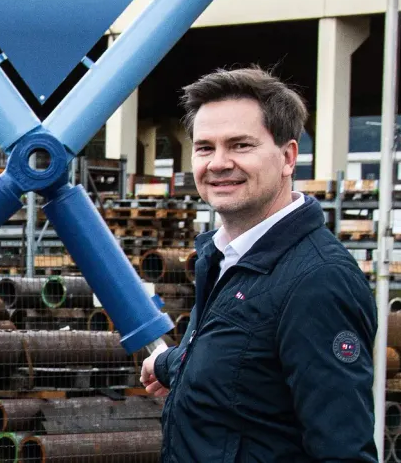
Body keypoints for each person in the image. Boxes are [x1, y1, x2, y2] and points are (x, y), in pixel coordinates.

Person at [139, 66, 377, 462]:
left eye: (240, 145)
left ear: (287, 157)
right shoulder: (225, 257)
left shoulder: (318, 280)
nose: (218, 163)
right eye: (204, 147)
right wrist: (169, 364)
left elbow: (343, 449)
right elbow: (243, 353)